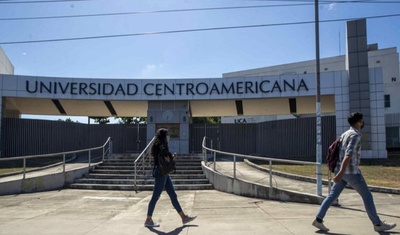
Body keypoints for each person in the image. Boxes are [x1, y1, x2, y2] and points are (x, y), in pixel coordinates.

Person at [312, 112, 396, 232]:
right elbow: (348, 154)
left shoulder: (345, 134)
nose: (363, 122)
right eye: (362, 120)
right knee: (367, 196)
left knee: (332, 196)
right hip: (351, 173)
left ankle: (318, 220)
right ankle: (377, 224)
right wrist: (341, 173)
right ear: (358, 122)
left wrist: (340, 173)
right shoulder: (355, 135)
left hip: (342, 171)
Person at [144, 128, 196, 227]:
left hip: (163, 173)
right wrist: (172, 157)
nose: (168, 137)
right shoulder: (162, 144)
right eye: (167, 135)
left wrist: (170, 157)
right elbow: (166, 157)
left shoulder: (156, 144)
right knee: (155, 196)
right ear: (164, 136)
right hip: (161, 173)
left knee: (173, 195)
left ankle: (183, 217)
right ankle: (148, 219)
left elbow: (162, 158)